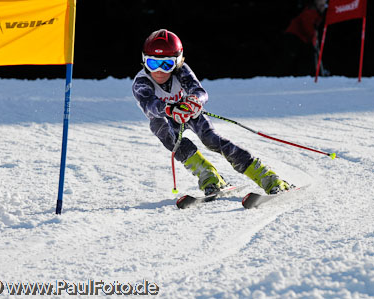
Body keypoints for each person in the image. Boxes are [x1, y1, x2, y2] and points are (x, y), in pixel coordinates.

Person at [132, 29, 292, 196]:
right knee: (172, 140)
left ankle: (267, 177)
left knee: (212, 140)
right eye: (152, 63)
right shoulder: (142, 82)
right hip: (165, 118)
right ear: (144, 61)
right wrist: (170, 109)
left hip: (189, 112)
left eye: (166, 65)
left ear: (177, 62)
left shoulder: (181, 71)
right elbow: (149, 105)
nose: (159, 71)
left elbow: (200, 92)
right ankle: (210, 176)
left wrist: (195, 101)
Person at [276, 0, 328, 76]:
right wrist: (313, 35)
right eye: (321, 4)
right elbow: (307, 28)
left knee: (305, 57)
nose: (323, 6)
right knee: (289, 59)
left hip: (302, 39)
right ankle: (279, 75)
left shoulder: (318, 13)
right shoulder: (310, 12)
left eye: (324, 4)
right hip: (294, 37)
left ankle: (304, 75)